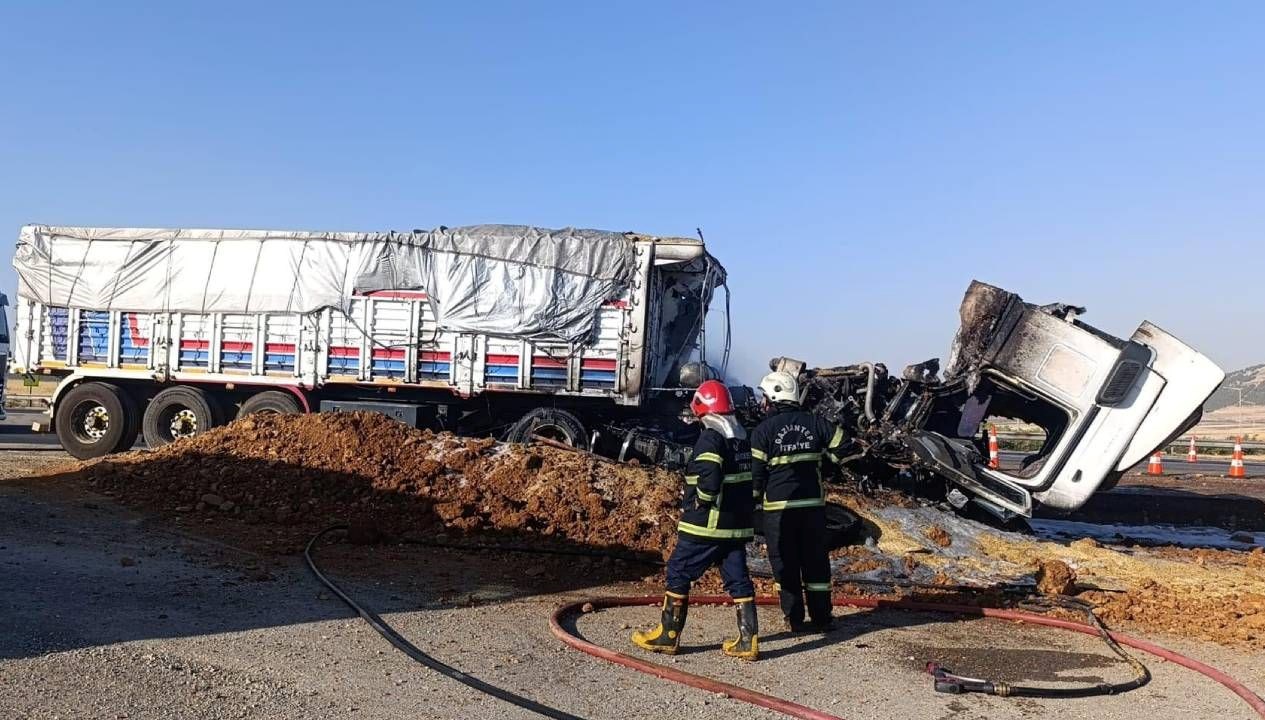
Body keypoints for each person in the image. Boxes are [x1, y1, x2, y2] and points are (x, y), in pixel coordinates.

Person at [631, 379, 759, 660]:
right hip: (736, 526)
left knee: (678, 570)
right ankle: (747, 640)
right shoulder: (740, 438)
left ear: (702, 408)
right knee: (737, 578)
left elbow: (710, 477)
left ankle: (668, 635)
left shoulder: (710, 437)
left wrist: (701, 499)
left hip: (707, 524)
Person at [750, 370, 849, 632]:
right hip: (813, 509)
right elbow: (844, 445)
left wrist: (751, 505)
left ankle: (794, 619)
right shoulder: (815, 422)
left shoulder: (763, 431)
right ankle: (823, 618)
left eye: (765, 397)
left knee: (785, 564)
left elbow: (756, 477)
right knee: (816, 562)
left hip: (779, 513)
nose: (763, 403)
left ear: (773, 397)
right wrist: (827, 466)